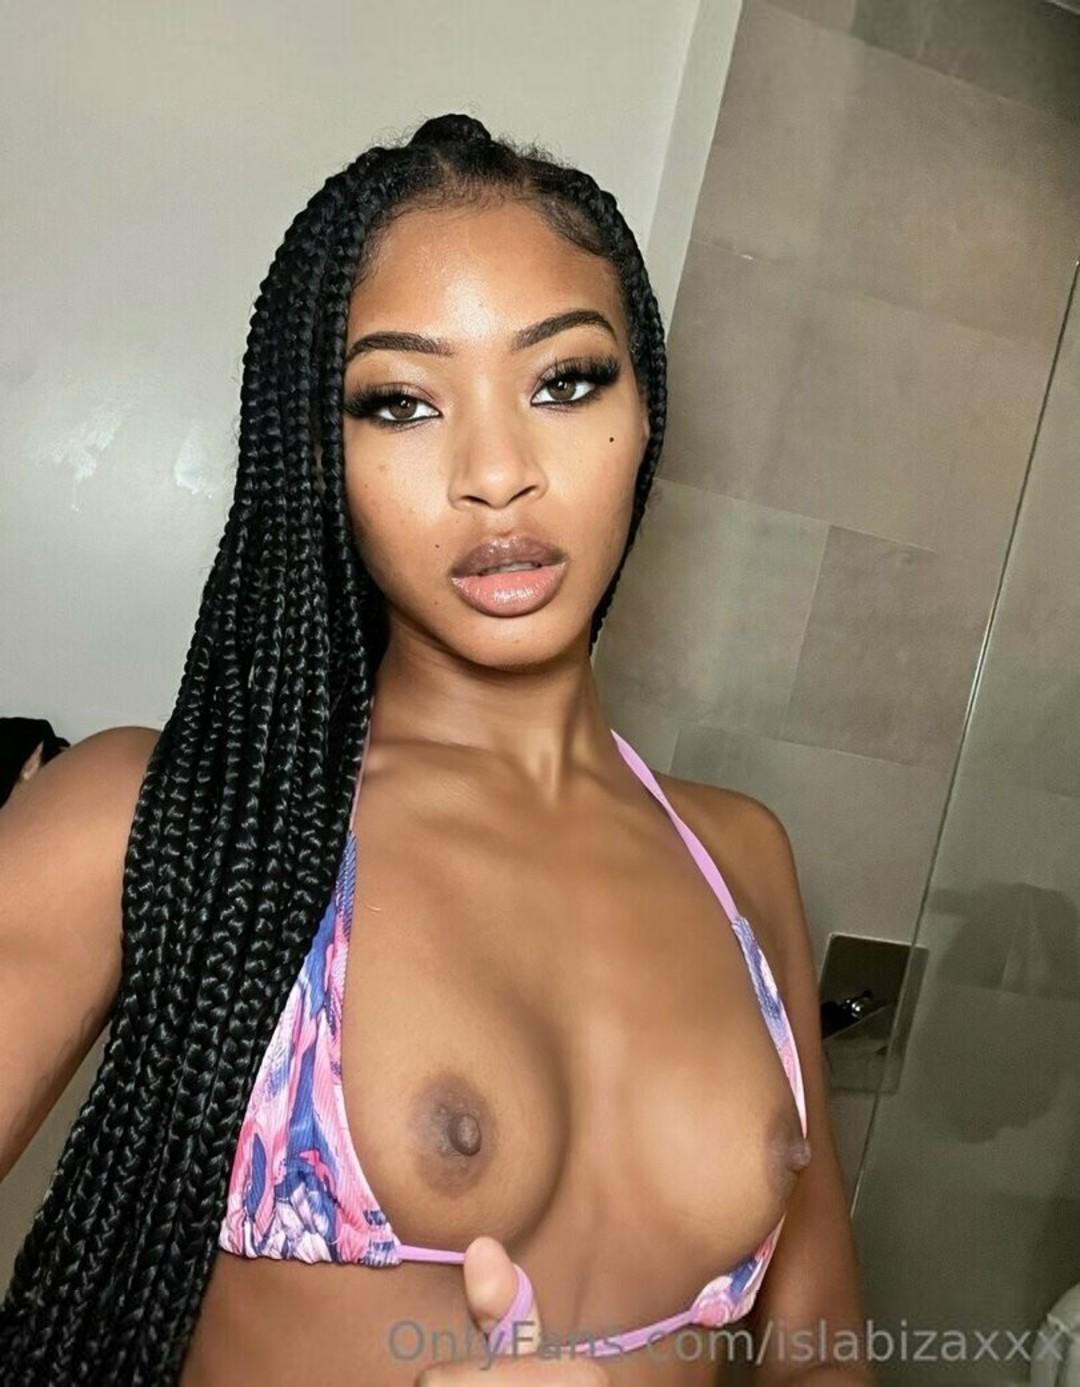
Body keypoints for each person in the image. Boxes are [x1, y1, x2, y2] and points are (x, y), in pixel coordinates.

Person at [0, 114, 870, 1385]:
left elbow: (821, 1355)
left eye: (565, 381)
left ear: (647, 411)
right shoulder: (162, 817)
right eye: (401, 402)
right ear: (322, 454)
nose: (497, 472)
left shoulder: (741, 857)